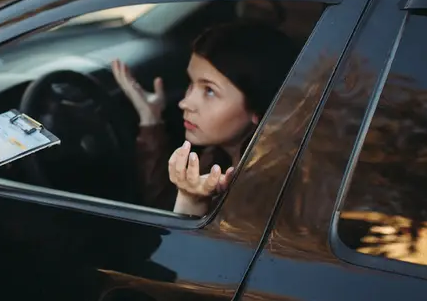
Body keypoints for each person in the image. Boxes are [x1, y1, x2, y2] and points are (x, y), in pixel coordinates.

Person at [111, 21, 298, 217]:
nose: (185, 103)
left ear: (258, 109)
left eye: (209, 91)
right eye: (191, 83)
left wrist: (192, 203)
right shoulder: (218, 154)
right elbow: (165, 207)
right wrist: (150, 118)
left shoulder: (265, 193)